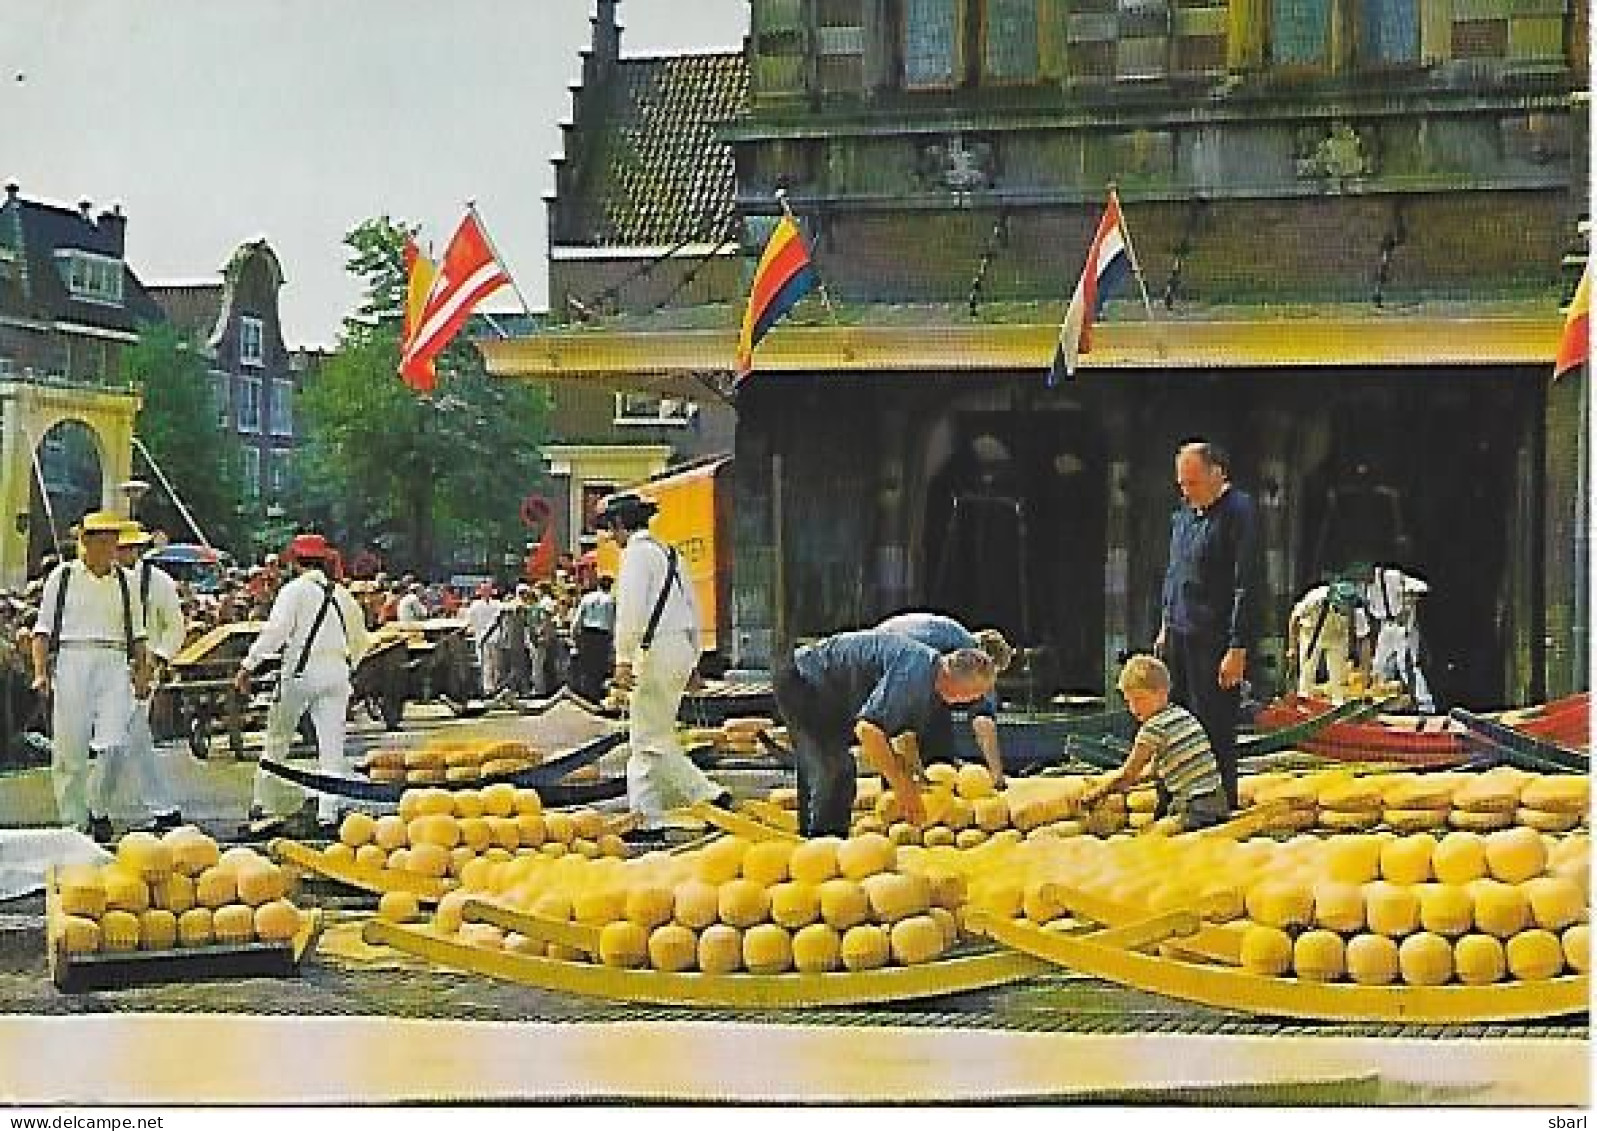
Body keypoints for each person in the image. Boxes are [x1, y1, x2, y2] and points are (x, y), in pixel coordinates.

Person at [775, 629, 997, 837]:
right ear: (957, 681)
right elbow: (868, 730)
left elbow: (904, 735)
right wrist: (902, 787)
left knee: (820, 767)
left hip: (827, 691)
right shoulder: (915, 674)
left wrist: (917, 777)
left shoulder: (930, 677)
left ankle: (811, 837)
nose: (972, 700)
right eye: (973, 693)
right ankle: (825, 846)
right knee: (836, 770)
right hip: (804, 680)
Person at [600, 492, 730, 828]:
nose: (611, 538)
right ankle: (646, 816)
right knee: (649, 736)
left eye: (610, 530)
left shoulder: (636, 556)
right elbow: (692, 605)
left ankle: (706, 793)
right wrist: (694, 658)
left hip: (653, 649)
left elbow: (631, 611)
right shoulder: (670, 553)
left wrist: (623, 659)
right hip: (680, 647)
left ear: (619, 524)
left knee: (649, 739)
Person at [29, 511, 151, 842]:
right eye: (99, 540)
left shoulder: (126, 581)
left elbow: (138, 635)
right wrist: (41, 673)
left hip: (114, 661)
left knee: (114, 742)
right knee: (71, 744)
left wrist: (143, 673)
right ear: (84, 541)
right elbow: (41, 631)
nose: (107, 547)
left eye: (112, 540)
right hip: (73, 658)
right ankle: (73, 821)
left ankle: (98, 808)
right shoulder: (63, 577)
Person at [237, 533, 370, 834]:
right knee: (332, 747)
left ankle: (264, 805)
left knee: (277, 740)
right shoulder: (342, 595)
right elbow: (361, 640)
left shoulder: (293, 591)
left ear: (295, 562)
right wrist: (348, 667)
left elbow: (276, 633)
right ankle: (328, 813)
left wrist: (248, 665)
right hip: (337, 673)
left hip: (300, 672)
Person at [1156, 441, 1262, 809]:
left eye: (1194, 483)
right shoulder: (1184, 515)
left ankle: (1217, 803)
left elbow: (1247, 583)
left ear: (1218, 473)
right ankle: (1172, 797)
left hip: (1214, 637)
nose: (1187, 492)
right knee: (1170, 721)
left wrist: (1238, 646)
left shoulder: (1239, 512)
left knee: (1212, 725)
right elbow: (1174, 572)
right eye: (1182, 485)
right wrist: (1165, 624)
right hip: (1179, 630)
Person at [1081, 654, 1229, 833]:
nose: (1134, 709)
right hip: (1219, 802)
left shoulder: (1153, 729)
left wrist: (1097, 793)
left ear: (1162, 692)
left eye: (1140, 700)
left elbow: (1127, 775)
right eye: (1129, 701)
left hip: (1193, 808)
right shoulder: (1183, 715)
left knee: (1149, 838)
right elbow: (1151, 772)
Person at [102, 522, 187, 830]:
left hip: (141, 669)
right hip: (105, 666)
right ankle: (163, 810)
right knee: (130, 740)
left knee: (118, 738)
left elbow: (175, 626)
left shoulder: (159, 582)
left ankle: (98, 810)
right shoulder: (99, 582)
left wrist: (160, 658)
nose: (122, 553)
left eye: (128, 548)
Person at [877, 611, 1012, 787]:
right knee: (933, 728)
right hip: (892, 659)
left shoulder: (953, 634)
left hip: (879, 651)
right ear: (988, 661)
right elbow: (983, 720)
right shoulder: (972, 658)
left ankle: (908, 782)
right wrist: (998, 777)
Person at [1362, 565, 1435, 712]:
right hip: (1386, 626)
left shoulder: (1391, 576)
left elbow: (1422, 587)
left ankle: (1425, 705)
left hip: (1402, 625)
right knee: (1378, 665)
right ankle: (1381, 701)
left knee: (1406, 664)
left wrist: (1409, 597)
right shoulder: (1364, 586)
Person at [1286, 579, 1369, 703]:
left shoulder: (1357, 610)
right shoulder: (1315, 598)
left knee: (1339, 676)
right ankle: (1303, 703)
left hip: (1338, 637)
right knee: (1307, 673)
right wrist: (1292, 647)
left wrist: (1364, 667)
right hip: (1312, 633)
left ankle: (1338, 705)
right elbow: (1294, 618)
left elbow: (1363, 637)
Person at [572, 576, 617, 702]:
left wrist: (574, 636)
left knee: (586, 666)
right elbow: (612, 621)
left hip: (586, 633)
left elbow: (577, 619)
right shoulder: (610, 600)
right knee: (599, 667)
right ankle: (595, 695)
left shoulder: (587, 597)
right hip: (602, 635)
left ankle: (586, 694)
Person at [464, 582, 504, 698]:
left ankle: (496, 687)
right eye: (484, 590)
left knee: (496, 664)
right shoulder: (475, 605)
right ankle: (487, 689)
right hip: (481, 637)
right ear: (480, 592)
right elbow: (469, 620)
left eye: (488, 590)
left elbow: (500, 618)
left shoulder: (497, 604)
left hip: (495, 637)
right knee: (485, 663)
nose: (486, 592)